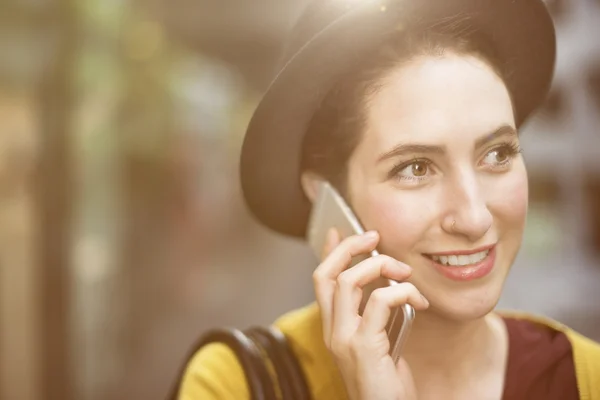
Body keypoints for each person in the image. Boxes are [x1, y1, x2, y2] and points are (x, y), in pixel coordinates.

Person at [178, 0, 600, 398]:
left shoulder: (587, 378)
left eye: (497, 154)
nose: (473, 218)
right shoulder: (237, 385)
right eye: (415, 168)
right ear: (327, 195)